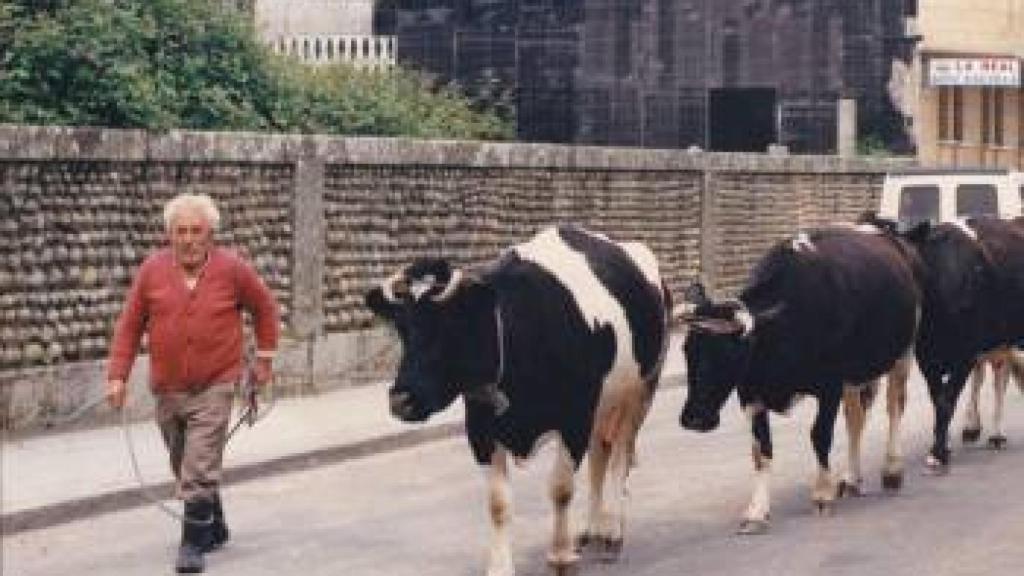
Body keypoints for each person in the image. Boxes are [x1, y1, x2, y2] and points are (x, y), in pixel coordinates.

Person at [106, 193, 279, 573]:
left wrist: (263, 361)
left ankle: (191, 545)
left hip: (216, 383)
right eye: (180, 231)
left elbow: (266, 310)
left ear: (210, 234)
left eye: (196, 231)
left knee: (198, 465)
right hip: (167, 388)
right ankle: (213, 524)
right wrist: (117, 376)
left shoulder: (233, 269)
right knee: (182, 461)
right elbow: (130, 325)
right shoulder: (152, 270)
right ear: (169, 234)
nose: (188, 239)